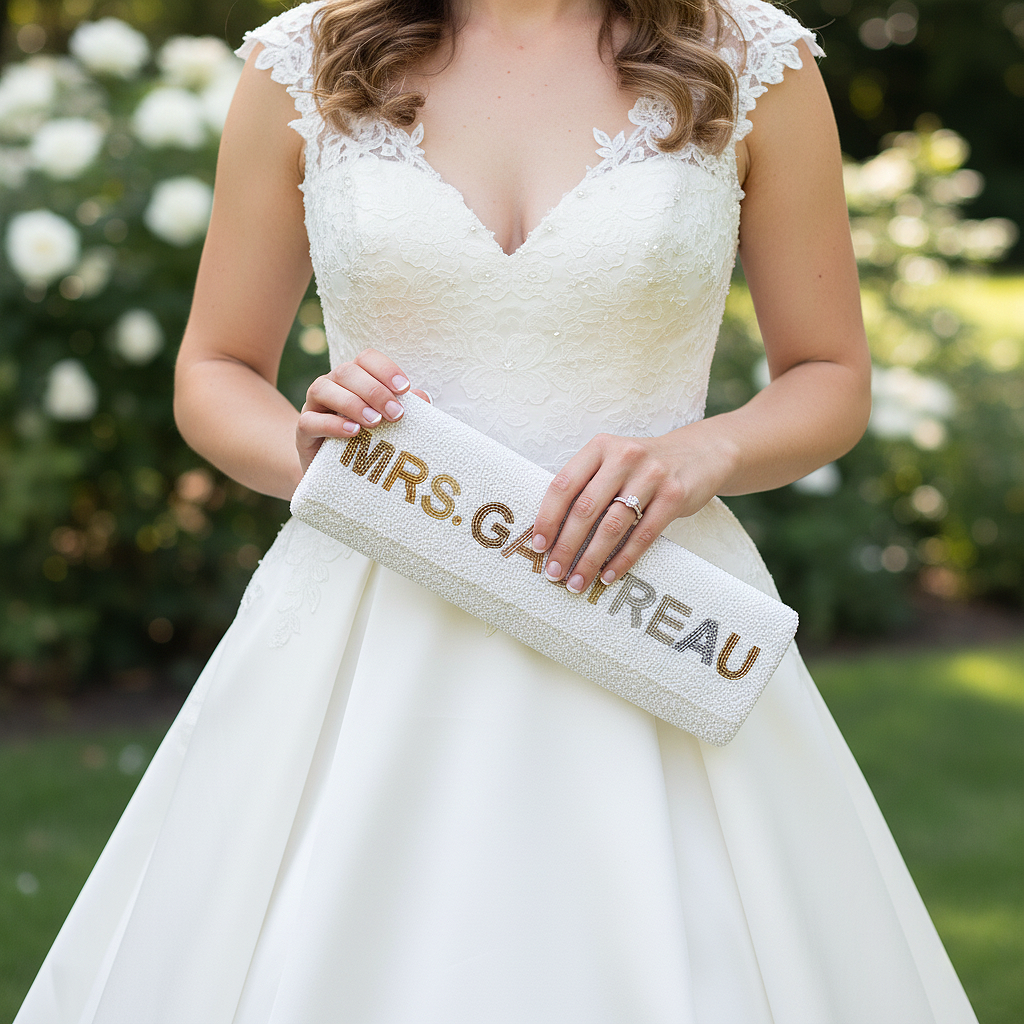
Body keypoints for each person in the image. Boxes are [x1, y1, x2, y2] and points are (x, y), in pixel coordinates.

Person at [16, 1, 980, 1021]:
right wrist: (300, 450)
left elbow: (828, 373)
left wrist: (702, 450)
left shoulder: (750, 57)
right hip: (365, 624)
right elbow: (215, 369)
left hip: (648, 614)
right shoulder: (302, 57)